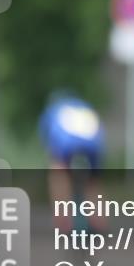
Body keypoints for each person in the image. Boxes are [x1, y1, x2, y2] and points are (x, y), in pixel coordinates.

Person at [38, 91, 106, 232]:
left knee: (58, 172)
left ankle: (63, 220)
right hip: (93, 147)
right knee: (92, 183)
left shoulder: (53, 110)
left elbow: (46, 138)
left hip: (67, 146)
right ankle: (98, 220)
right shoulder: (85, 107)